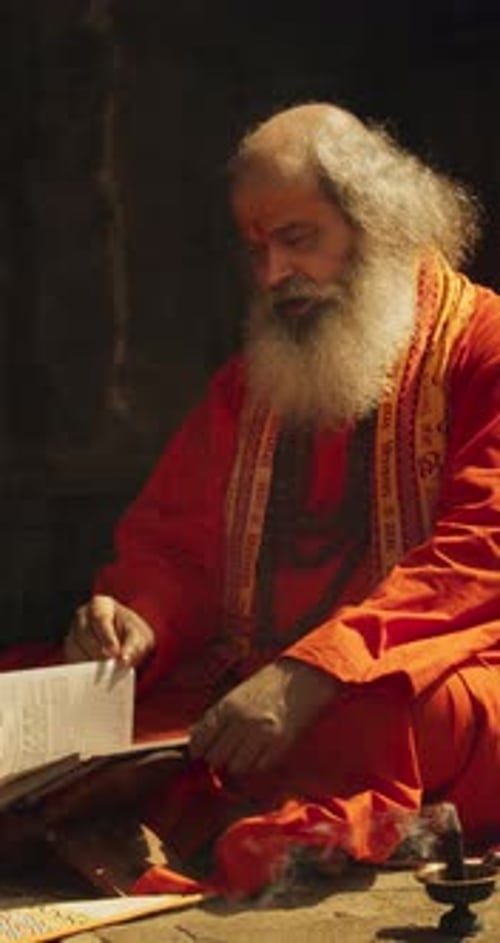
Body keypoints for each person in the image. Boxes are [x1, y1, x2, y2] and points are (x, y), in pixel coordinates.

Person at [62, 102, 500, 897]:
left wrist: (316, 672)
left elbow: (480, 556)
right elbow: (178, 547)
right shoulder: (256, 381)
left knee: (399, 718)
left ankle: (230, 809)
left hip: (418, 677)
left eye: (298, 238)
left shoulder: (485, 346)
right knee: (51, 690)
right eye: (257, 248)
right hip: (258, 686)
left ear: (381, 224)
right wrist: (139, 620)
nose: (273, 274)